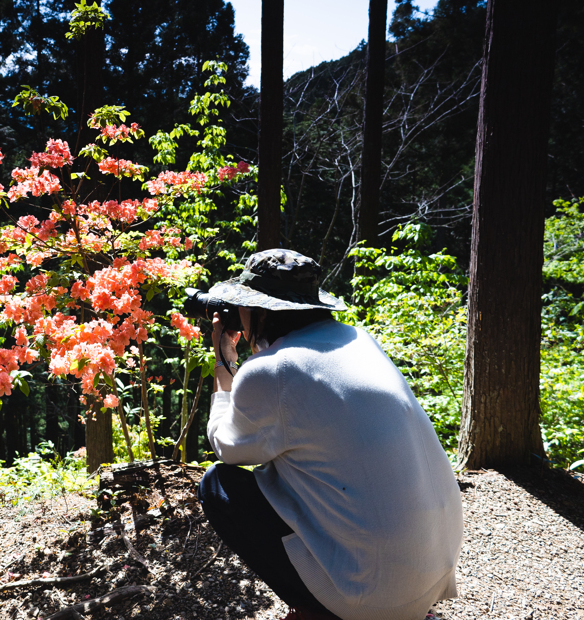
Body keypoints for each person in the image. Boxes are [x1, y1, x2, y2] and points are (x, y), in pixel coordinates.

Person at [197, 249, 463, 620]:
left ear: (260, 311)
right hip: (432, 575)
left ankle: (321, 612)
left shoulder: (272, 370)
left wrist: (224, 362)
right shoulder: (358, 340)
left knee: (218, 485)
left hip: (375, 598)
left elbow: (227, 447)